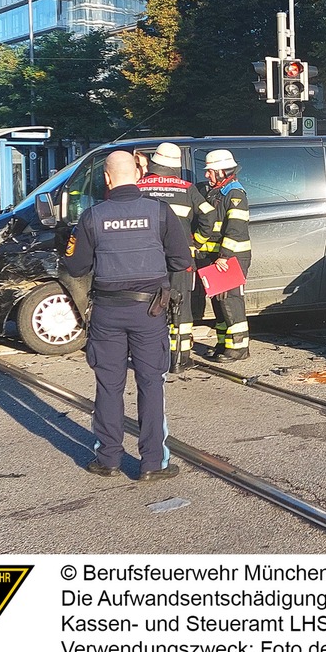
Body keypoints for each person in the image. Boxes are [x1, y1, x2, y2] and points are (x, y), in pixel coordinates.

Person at [62, 150, 192, 481]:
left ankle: (108, 459)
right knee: (151, 384)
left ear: (107, 178)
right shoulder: (160, 213)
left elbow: (75, 266)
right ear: (138, 173)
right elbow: (181, 259)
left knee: (108, 385)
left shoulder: (92, 217)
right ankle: (152, 463)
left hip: (106, 312)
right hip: (149, 311)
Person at [136, 142, 219, 371]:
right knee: (180, 305)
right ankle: (180, 359)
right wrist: (196, 242)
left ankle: (152, 357)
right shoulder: (186, 188)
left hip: (146, 259)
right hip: (181, 258)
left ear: (154, 163)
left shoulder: (139, 186)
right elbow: (209, 216)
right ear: (175, 167)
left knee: (150, 305)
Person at [197, 148, 252, 361]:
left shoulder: (235, 194)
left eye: (210, 171)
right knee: (219, 301)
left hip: (231, 258)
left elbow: (236, 229)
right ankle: (224, 343)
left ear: (221, 172)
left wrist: (225, 255)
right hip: (216, 257)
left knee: (231, 301)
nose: (206, 175)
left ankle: (239, 348)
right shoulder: (215, 192)